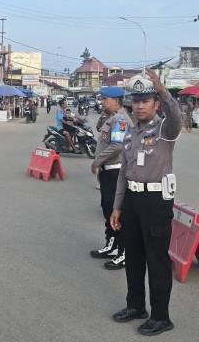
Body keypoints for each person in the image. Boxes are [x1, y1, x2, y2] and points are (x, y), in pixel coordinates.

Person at [109, 69, 181, 336]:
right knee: (135, 256)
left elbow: (176, 116)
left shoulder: (165, 129)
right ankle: (136, 305)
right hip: (132, 198)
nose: (139, 105)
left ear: (155, 104)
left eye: (145, 101)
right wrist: (117, 207)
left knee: (157, 260)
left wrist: (163, 89)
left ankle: (161, 317)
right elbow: (123, 174)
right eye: (136, 101)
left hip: (155, 201)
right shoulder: (130, 133)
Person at [90, 87, 133, 271]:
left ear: (116, 100)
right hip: (108, 170)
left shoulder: (121, 119)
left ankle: (123, 252)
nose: (102, 102)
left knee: (117, 212)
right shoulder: (112, 117)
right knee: (107, 208)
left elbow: (117, 145)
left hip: (116, 172)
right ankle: (112, 245)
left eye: (105, 99)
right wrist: (101, 167)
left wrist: (97, 160)